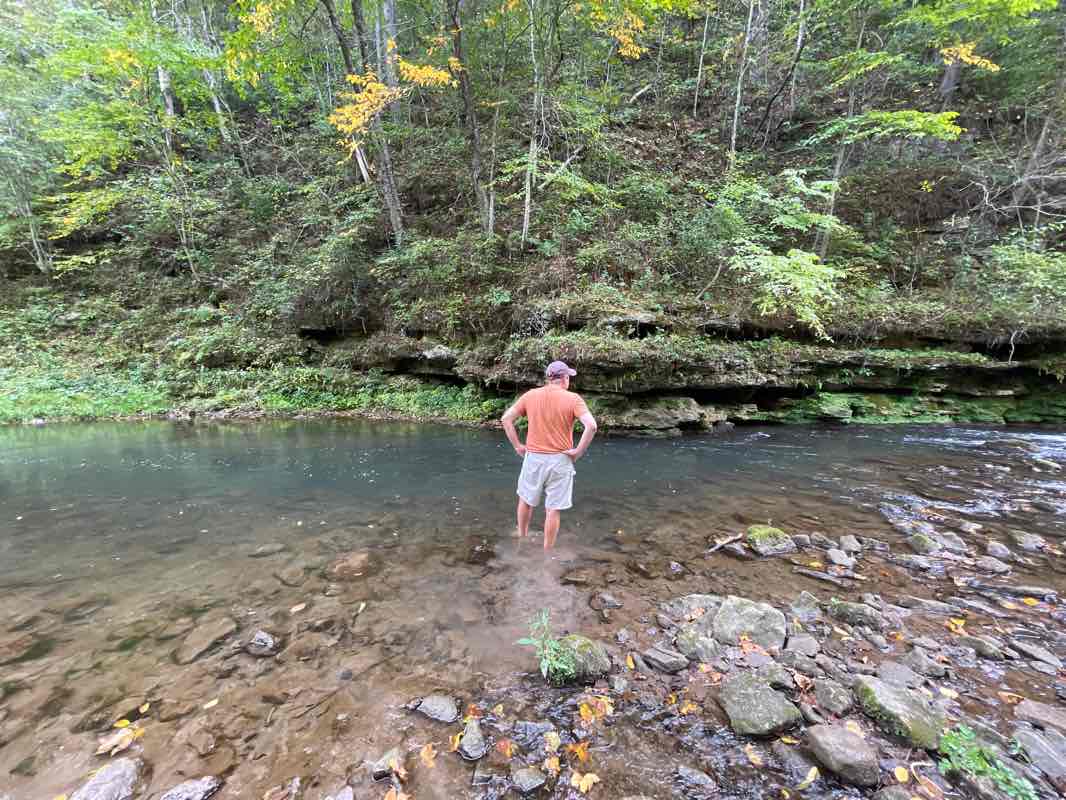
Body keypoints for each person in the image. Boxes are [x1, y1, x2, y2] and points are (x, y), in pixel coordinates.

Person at [501, 360, 598, 549]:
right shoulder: (573, 399)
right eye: (569, 376)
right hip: (561, 460)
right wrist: (578, 451)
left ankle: (522, 537)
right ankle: (547, 552)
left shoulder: (530, 396)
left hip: (534, 458)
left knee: (526, 500)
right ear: (565, 378)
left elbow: (506, 419)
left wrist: (517, 446)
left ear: (549, 378)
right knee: (552, 509)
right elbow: (592, 426)